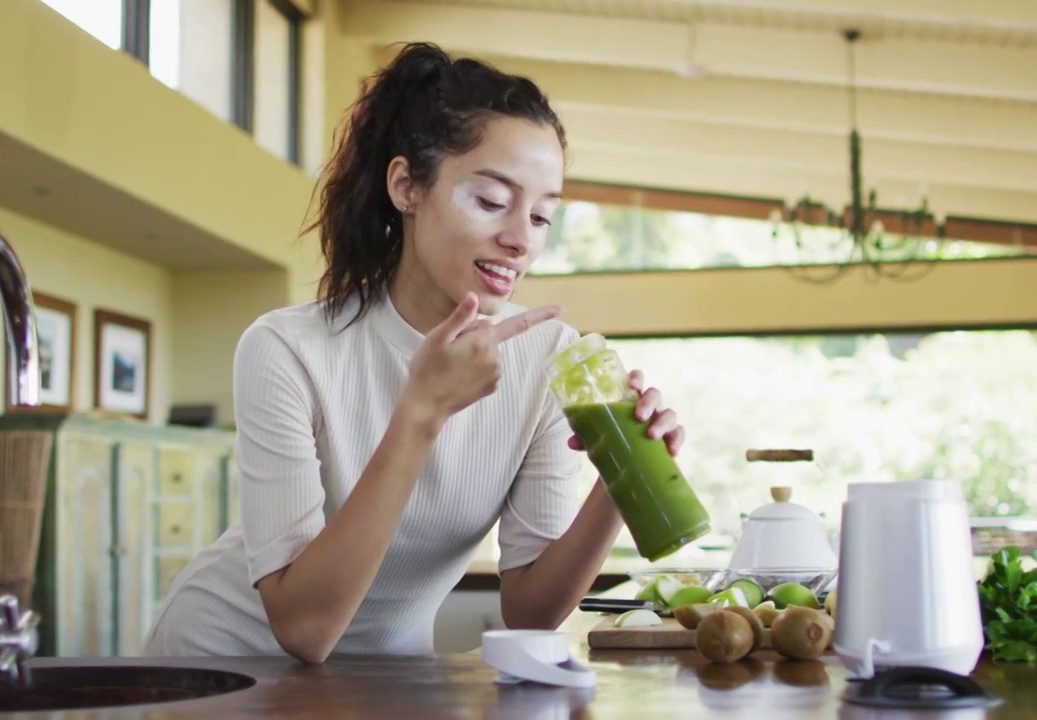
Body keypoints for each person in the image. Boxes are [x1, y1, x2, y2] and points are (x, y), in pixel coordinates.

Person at [143, 42, 687, 662]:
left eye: (541, 217)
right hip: (223, 665)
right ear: (407, 186)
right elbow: (303, 629)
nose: (518, 240)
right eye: (490, 201)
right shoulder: (287, 349)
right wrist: (420, 412)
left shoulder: (546, 359)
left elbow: (531, 608)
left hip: (387, 679)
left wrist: (623, 479)